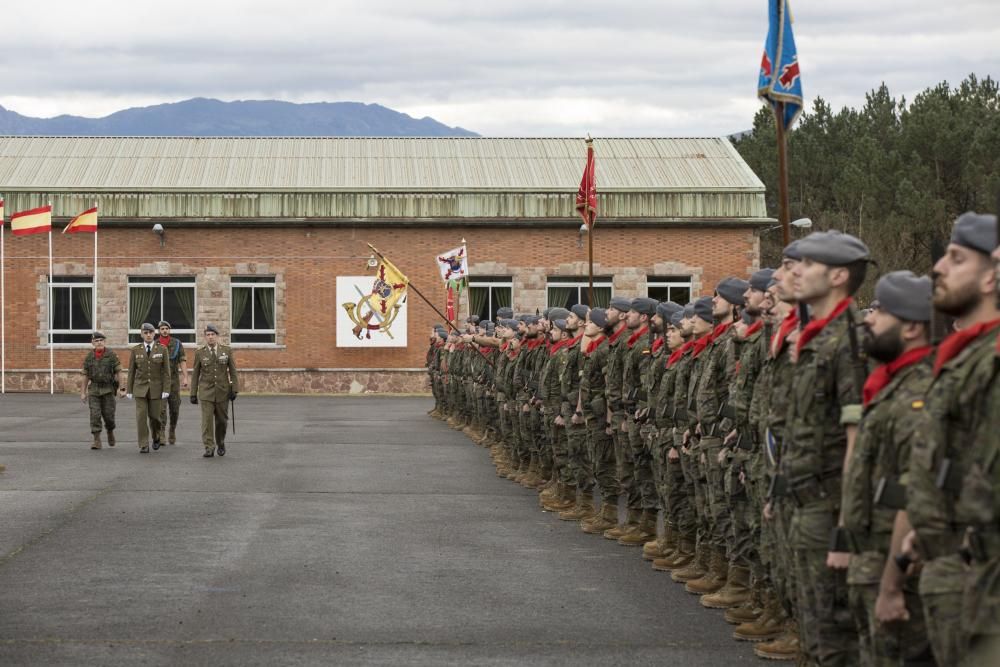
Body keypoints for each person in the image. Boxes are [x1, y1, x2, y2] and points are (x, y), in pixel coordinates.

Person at [901, 212, 999, 666]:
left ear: (992, 276)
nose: (938, 267)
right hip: (956, 569)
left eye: (957, 259)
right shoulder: (966, 358)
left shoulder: (989, 361)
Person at [840, 271, 935, 666]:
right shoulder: (888, 383)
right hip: (872, 551)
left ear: (912, 327)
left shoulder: (918, 391)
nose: (868, 319)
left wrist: (893, 582)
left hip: (895, 560)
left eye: (881, 312)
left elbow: (909, 491)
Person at [190, 324, 240, 458]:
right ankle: (209, 447)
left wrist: (235, 389)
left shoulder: (226, 351)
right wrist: (193, 393)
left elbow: (233, 371)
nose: (210, 337)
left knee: (222, 421)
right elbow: (195, 374)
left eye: (213, 334)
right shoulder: (200, 352)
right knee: (207, 422)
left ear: (217, 336)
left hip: (223, 391)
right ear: (205, 337)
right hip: (206, 392)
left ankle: (221, 442)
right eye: (208, 335)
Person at [126, 322, 171, 453]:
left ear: (154, 333)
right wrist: (129, 390)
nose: (148, 335)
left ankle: (156, 436)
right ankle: (143, 444)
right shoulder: (136, 350)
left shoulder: (162, 349)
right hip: (140, 389)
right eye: (145, 332)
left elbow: (166, 372)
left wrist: (166, 389)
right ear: (141, 334)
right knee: (141, 417)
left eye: (150, 332)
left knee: (155, 417)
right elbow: (131, 372)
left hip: (156, 389)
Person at [80, 331, 126, 450]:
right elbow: (85, 375)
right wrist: (83, 392)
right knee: (95, 415)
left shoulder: (111, 355)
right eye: (96, 341)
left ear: (104, 342)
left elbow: (119, 372)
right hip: (94, 390)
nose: (99, 343)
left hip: (108, 390)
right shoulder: (89, 357)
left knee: (109, 416)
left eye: (101, 340)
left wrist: (122, 388)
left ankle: (110, 431)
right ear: (92, 343)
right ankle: (97, 440)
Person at [155, 320, 188, 445]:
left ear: (169, 330)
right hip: (160, 382)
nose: (164, 330)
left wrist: (185, 377)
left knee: (174, 408)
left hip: (174, 381)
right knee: (161, 409)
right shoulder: (155, 344)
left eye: (166, 328)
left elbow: (182, 360)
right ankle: (161, 432)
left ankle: (172, 430)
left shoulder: (177, 343)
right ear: (159, 331)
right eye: (162, 328)